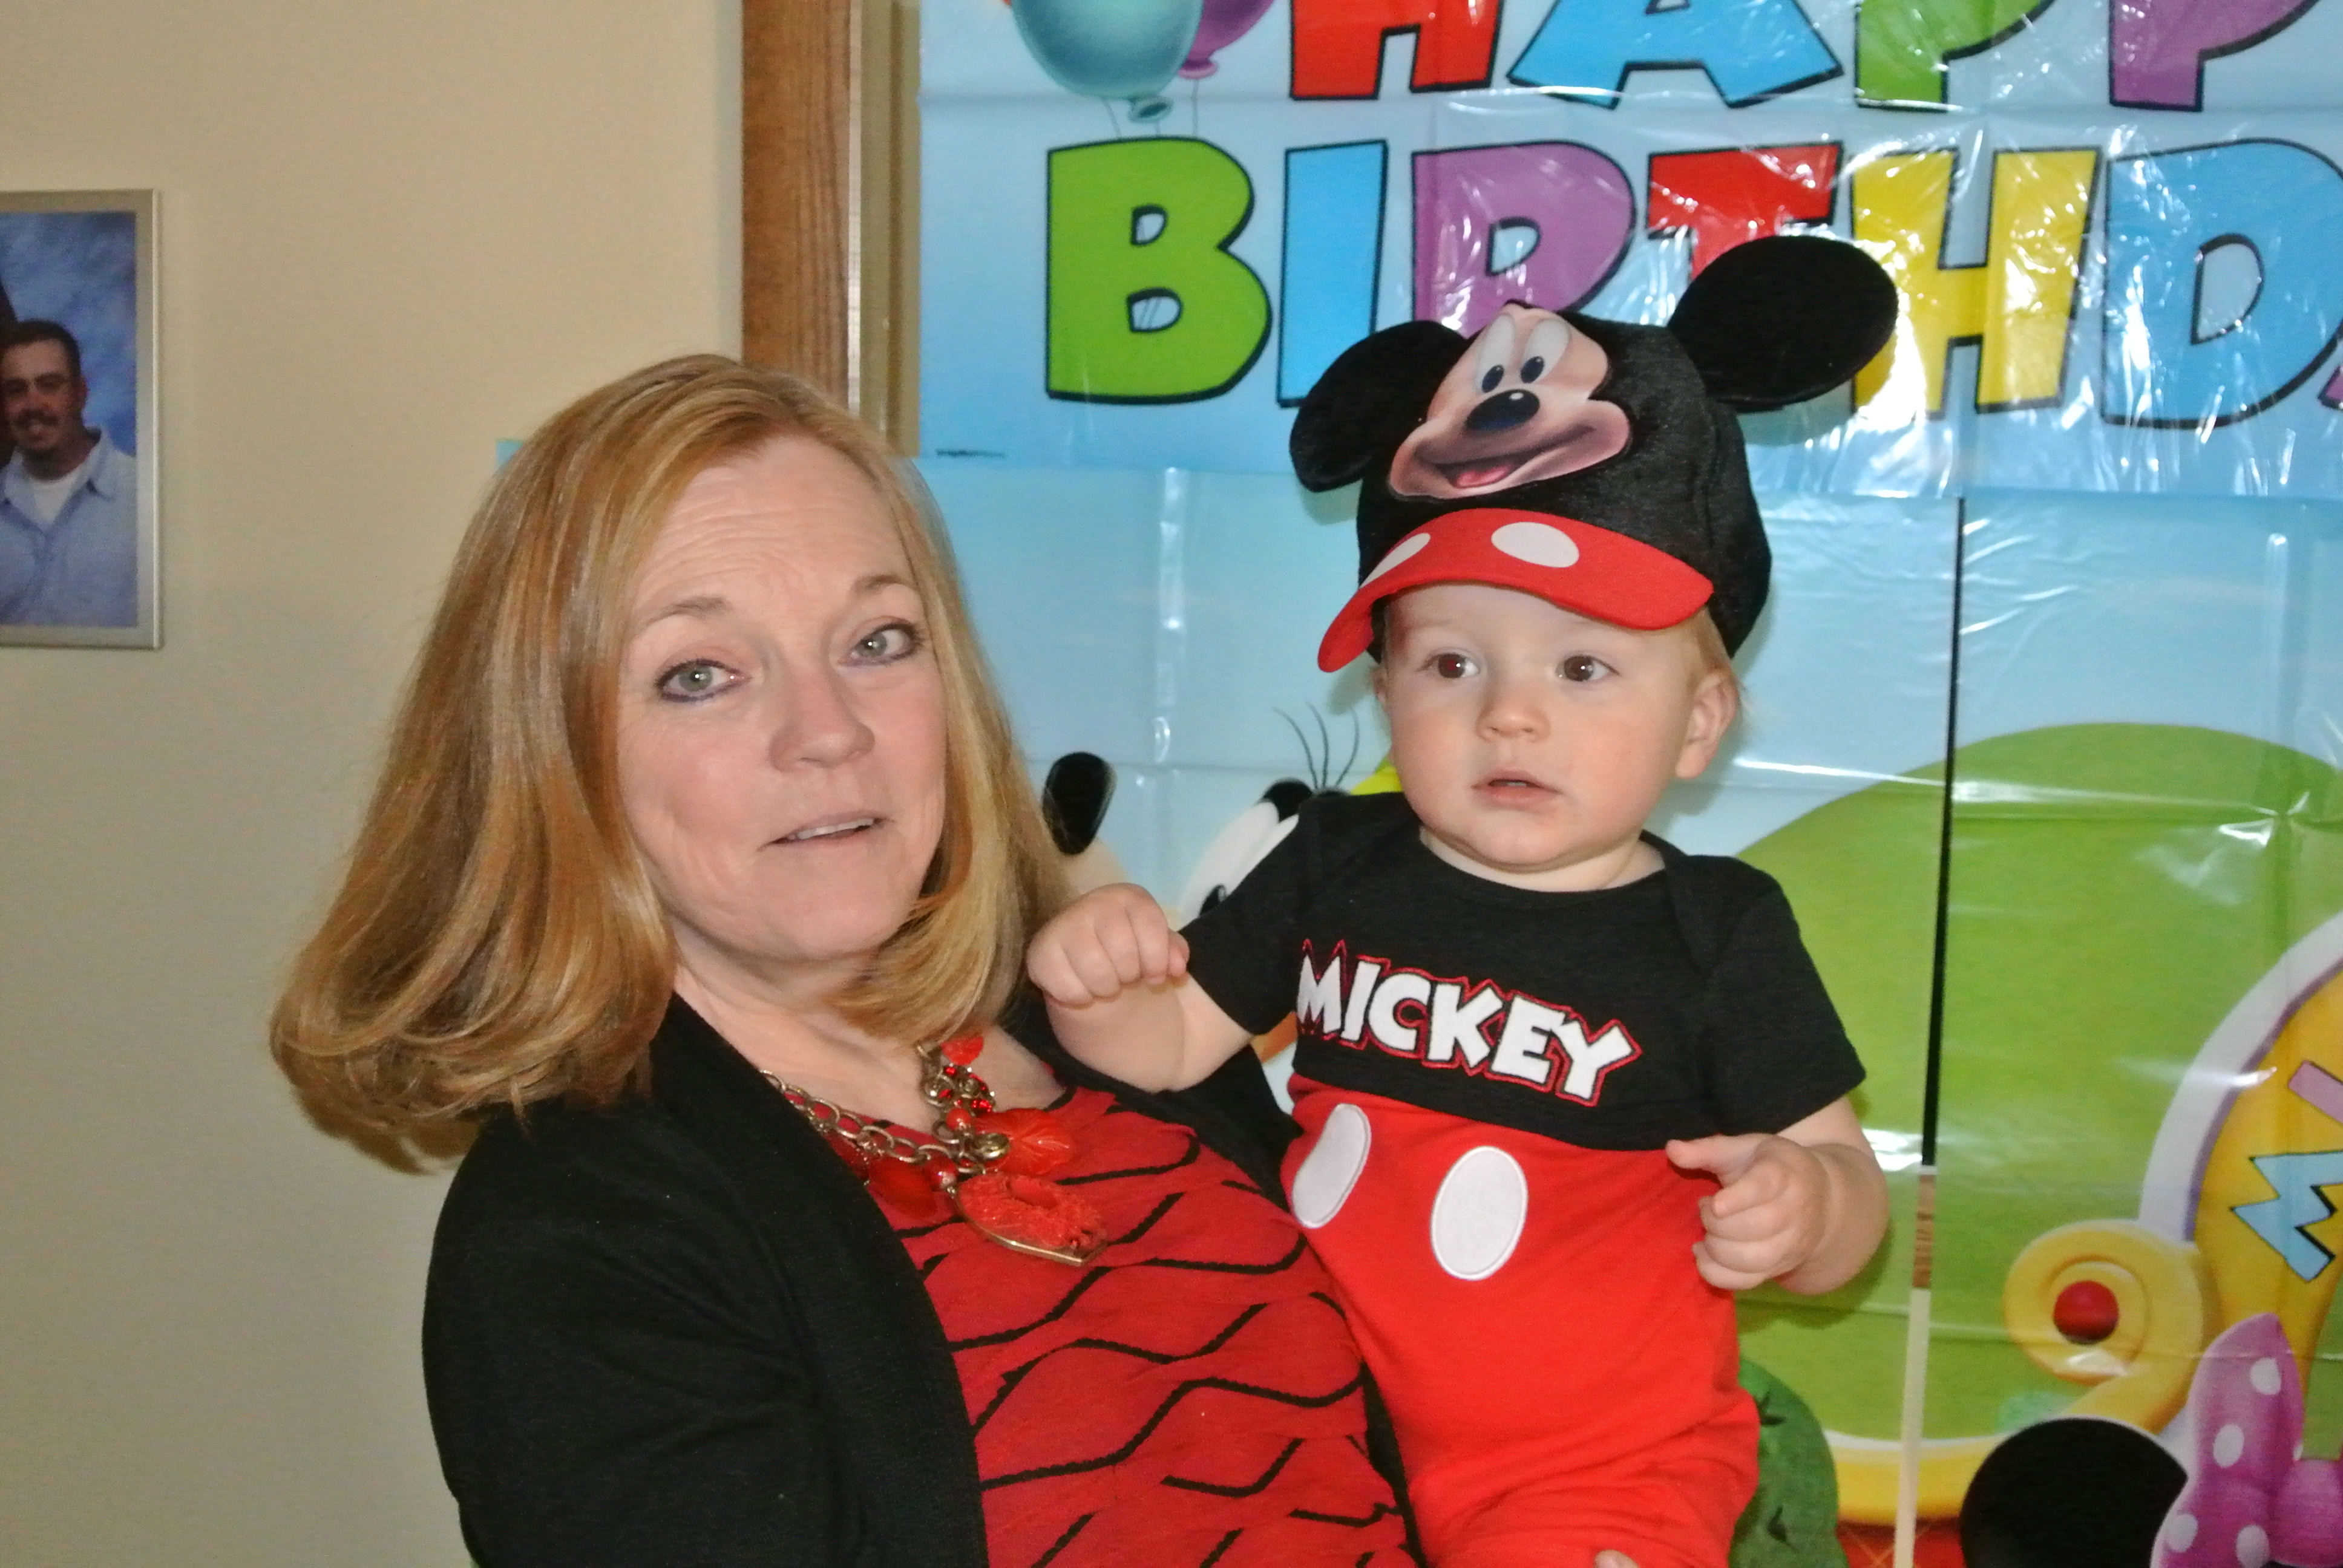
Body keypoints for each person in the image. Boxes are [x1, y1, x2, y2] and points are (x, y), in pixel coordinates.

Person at [269, 356, 1415, 1567]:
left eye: (876, 641)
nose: (829, 731)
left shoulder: (1125, 1021)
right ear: (553, 753)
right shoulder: (578, 1239)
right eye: (699, 675)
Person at [1026, 241, 1896, 1568]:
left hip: (1597, 1470)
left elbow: (1845, 1206)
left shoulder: (1717, 931)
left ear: (1697, 720)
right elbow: (1166, 1046)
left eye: (1584, 667)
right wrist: (1097, 977)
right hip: (1312, 1422)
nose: (1509, 713)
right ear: (1384, 692)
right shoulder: (1334, 859)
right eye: (1449, 663)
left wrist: (1808, 1204)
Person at [0, 319, 139, 627]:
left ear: (80, 393)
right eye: (16, 390)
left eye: (49, 385)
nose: (33, 405)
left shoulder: (144, 496)